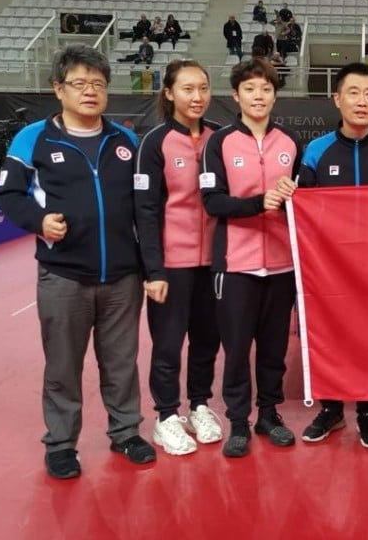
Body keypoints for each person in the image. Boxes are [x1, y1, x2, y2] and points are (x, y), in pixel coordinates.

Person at [0, 44, 156, 479]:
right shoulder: (33, 138)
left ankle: (125, 433)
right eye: (80, 83)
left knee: (121, 363)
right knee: (63, 365)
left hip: (123, 276)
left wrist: (149, 267)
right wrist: (40, 221)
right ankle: (61, 443)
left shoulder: (125, 141)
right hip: (63, 275)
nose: (90, 92)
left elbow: (145, 206)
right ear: (58, 89)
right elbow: (8, 195)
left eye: (98, 84)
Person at [297, 63, 368, 449]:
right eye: (354, 93)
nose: (362, 101)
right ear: (337, 99)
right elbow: (300, 207)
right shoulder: (315, 151)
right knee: (330, 339)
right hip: (329, 267)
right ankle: (331, 410)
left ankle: (367, 413)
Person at [200, 59, 303, 458]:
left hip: (282, 263)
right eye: (250, 89)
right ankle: (239, 421)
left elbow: (307, 200)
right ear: (236, 95)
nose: (258, 96)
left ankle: (269, 414)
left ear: (275, 94)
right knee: (238, 347)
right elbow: (213, 202)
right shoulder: (220, 142)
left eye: (265, 89)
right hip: (236, 265)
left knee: (275, 348)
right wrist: (260, 203)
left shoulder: (291, 141)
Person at [135, 59, 223, 457]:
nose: (197, 96)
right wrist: (153, 270)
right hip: (171, 263)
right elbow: (146, 211)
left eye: (203, 88)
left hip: (216, 263)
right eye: (187, 89)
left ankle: (200, 405)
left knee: (207, 341)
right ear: (169, 93)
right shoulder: (154, 143)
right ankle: (166, 415)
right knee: (168, 344)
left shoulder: (220, 138)